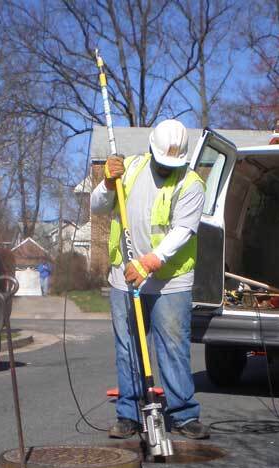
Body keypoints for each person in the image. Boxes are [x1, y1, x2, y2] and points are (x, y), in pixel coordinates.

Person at [90, 119, 210, 439]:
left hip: (171, 280)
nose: (168, 168)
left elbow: (183, 230)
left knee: (173, 346)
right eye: (163, 162)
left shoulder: (192, 183)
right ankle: (129, 413)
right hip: (124, 277)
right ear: (151, 151)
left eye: (174, 163)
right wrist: (107, 184)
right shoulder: (128, 170)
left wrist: (150, 261)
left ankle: (183, 413)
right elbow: (98, 207)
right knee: (129, 347)